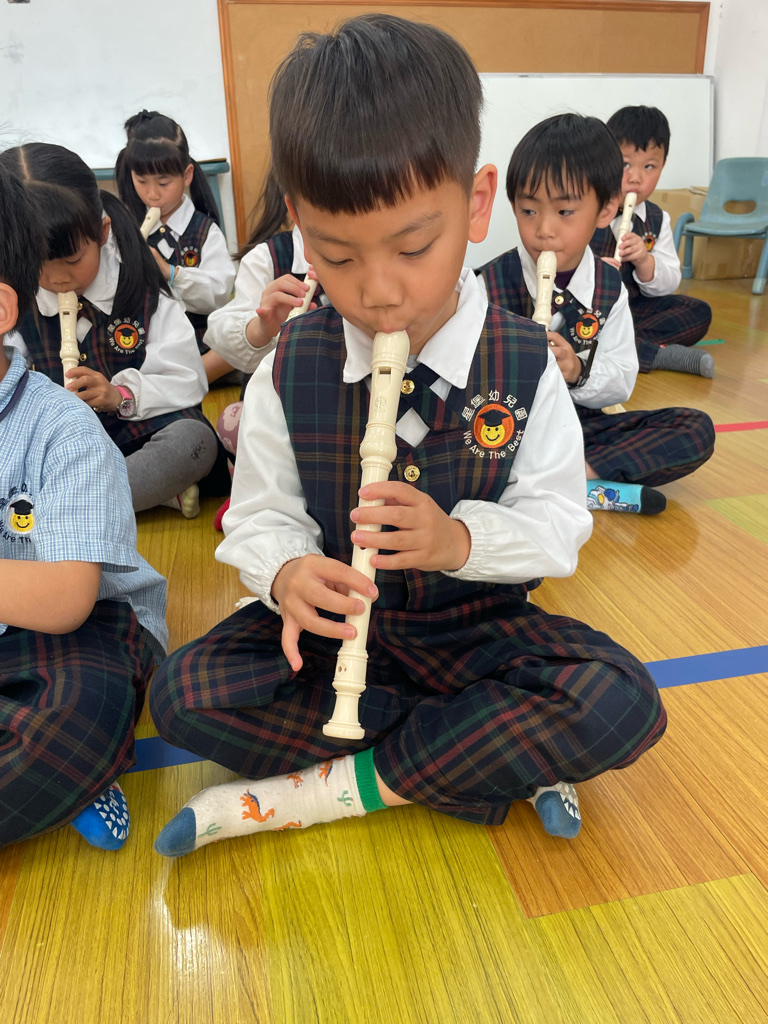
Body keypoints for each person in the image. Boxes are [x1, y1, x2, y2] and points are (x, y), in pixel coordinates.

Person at [149, 14, 666, 859]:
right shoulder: (291, 365)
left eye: (414, 246)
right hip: (341, 639)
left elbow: (558, 525)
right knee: (184, 694)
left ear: (475, 204)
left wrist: (457, 540)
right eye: (338, 256)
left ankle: (332, 790)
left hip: (478, 633)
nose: (379, 292)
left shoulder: (525, 361)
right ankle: (481, 751)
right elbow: (259, 515)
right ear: (299, 223)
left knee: (621, 697)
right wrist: (285, 572)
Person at [0, 162, 168, 850]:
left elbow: (67, 599)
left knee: (80, 709)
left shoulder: (59, 426)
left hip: (85, 624)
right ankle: (69, 778)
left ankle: (75, 766)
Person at [477, 114, 715, 514]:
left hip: (579, 428)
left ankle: (575, 477)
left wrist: (576, 370)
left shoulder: (609, 287)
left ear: (605, 211)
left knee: (695, 429)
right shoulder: (486, 284)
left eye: (565, 212)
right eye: (528, 211)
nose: (544, 230)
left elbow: (621, 381)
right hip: (500, 431)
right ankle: (567, 485)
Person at [1, 143, 229, 519]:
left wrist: (119, 395)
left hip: (132, 436)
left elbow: (188, 379)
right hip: (57, 446)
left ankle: (67, 504)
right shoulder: (15, 304)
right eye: (39, 266)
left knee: (194, 440)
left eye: (73, 260)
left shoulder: (141, 291)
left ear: (102, 232)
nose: (58, 279)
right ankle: (121, 497)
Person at [591, 105, 714, 378]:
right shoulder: (585, 208)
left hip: (632, 311)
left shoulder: (657, 219)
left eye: (649, 166)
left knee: (697, 311)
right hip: (588, 311)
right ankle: (654, 354)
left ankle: (609, 348)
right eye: (625, 164)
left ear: (662, 166)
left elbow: (668, 283)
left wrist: (645, 261)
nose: (635, 178)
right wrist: (592, 271)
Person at [116, 110, 237, 384]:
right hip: (143, 347)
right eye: (141, 181)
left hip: (197, 344)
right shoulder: (126, 229)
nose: (152, 194)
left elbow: (219, 294)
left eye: (163, 183)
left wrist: (172, 273)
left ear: (187, 175)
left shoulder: (205, 231)